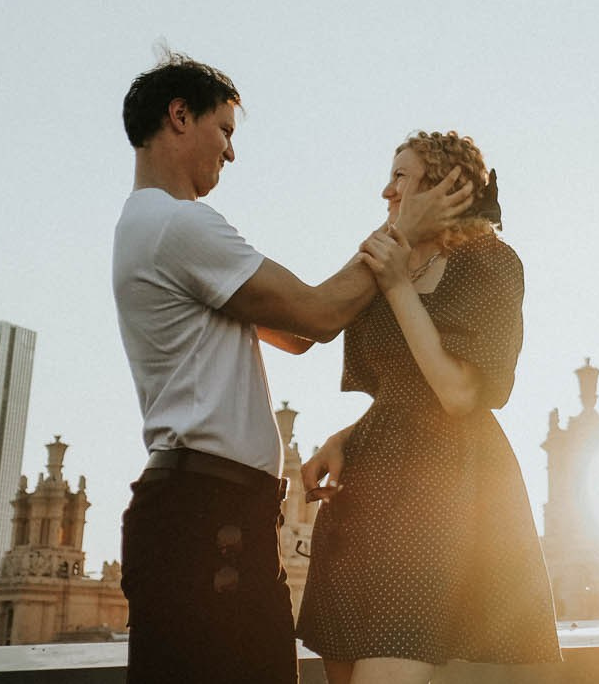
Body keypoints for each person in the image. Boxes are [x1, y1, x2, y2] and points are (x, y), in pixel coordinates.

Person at [112, 54, 471, 684]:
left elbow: (298, 333)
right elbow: (319, 314)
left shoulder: (146, 227)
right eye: (224, 131)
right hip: (208, 517)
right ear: (178, 116)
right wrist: (399, 232)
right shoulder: (177, 224)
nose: (230, 154)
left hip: (216, 516)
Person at [296, 131, 560, 683]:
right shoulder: (386, 255)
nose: (385, 191)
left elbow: (458, 394)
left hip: (441, 495)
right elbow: (395, 387)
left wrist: (395, 285)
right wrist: (344, 437)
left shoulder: (490, 263)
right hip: (363, 494)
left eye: (400, 176)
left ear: (442, 187)